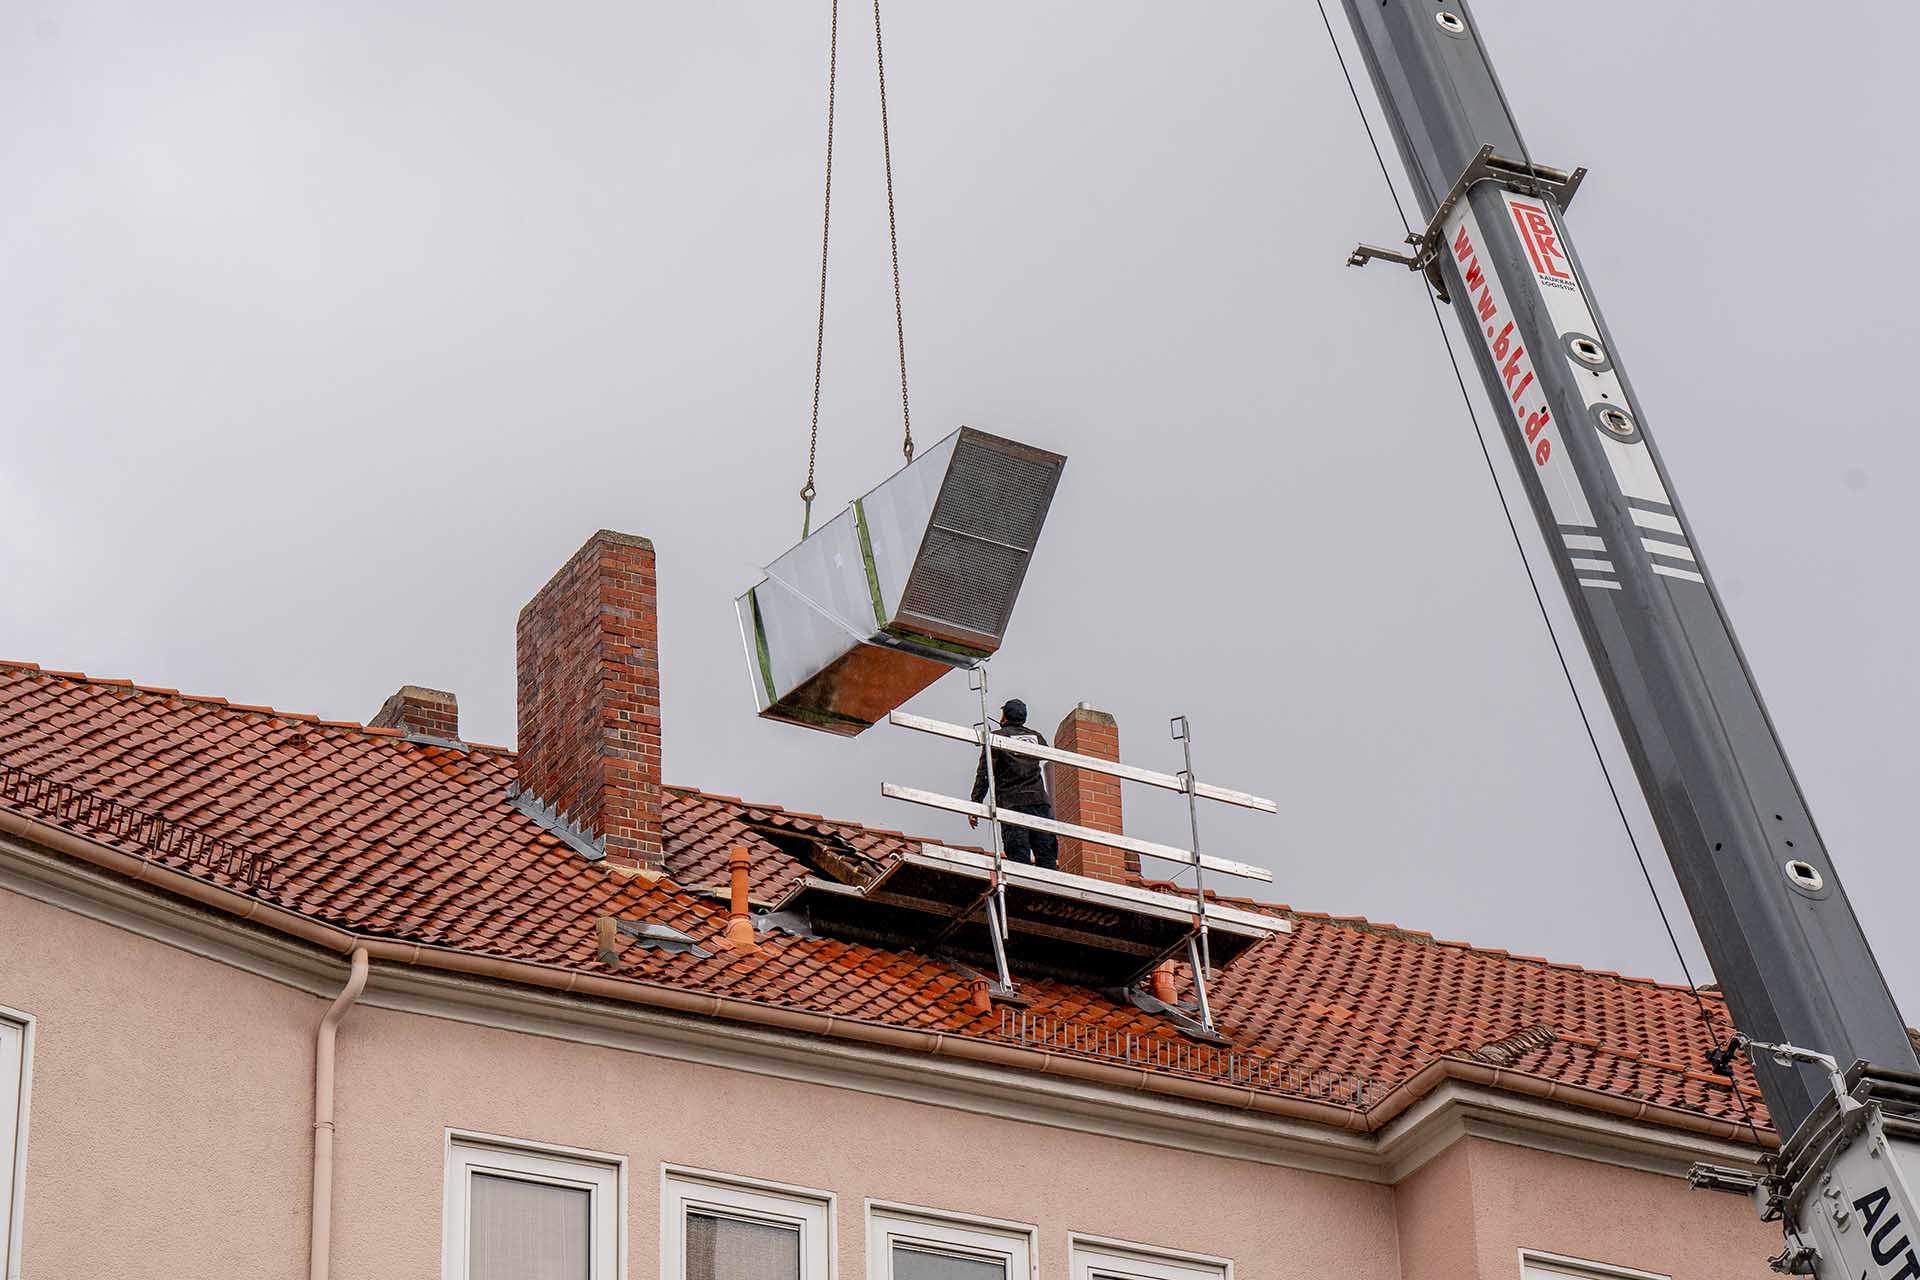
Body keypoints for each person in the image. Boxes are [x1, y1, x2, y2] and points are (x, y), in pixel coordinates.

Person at [968, 698, 1058, 870]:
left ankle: (1025, 894)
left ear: (1004, 716)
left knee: (1019, 858)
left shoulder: (996, 738)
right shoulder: (1036, 737)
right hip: (1039, 804)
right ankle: (1051, 893)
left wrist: (975, 804)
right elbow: (1047, 754)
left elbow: (985, 774)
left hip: (1012, 805)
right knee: (1046, 855)